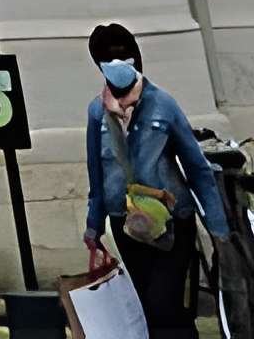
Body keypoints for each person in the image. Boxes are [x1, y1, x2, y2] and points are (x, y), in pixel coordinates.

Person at [81, 23, 228, 336]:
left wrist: (217, 226)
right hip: (128, 223)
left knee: (164, 302)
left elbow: (197, 167)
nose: (118, 65)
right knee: (149, 306)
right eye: (109, 59)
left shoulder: (163, 104)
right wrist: (93, 225)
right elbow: (97, 172)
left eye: (124, 57)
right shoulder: (97, 113)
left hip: (172, 220)